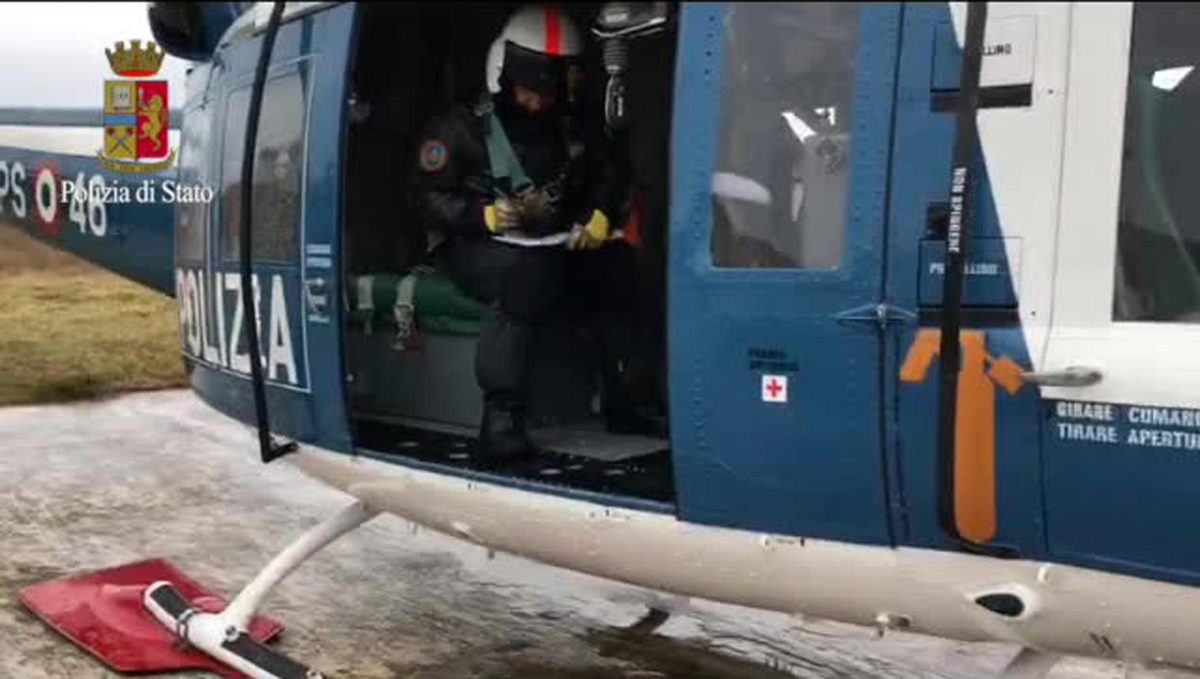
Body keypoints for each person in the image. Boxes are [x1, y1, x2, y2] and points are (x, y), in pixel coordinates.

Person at [411, 4, 658, 460]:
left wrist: (601, 215)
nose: (536, 103)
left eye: (547, 92)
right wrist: (480, 215)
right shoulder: (460, 126)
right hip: (475, 247)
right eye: (528, 91)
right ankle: (500, 420)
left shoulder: (572, 120)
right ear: (502, 73)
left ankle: (627, 401)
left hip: (552, 244)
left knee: (617, 269)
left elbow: (609, 170)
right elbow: (427, 197)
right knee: (529, 275)